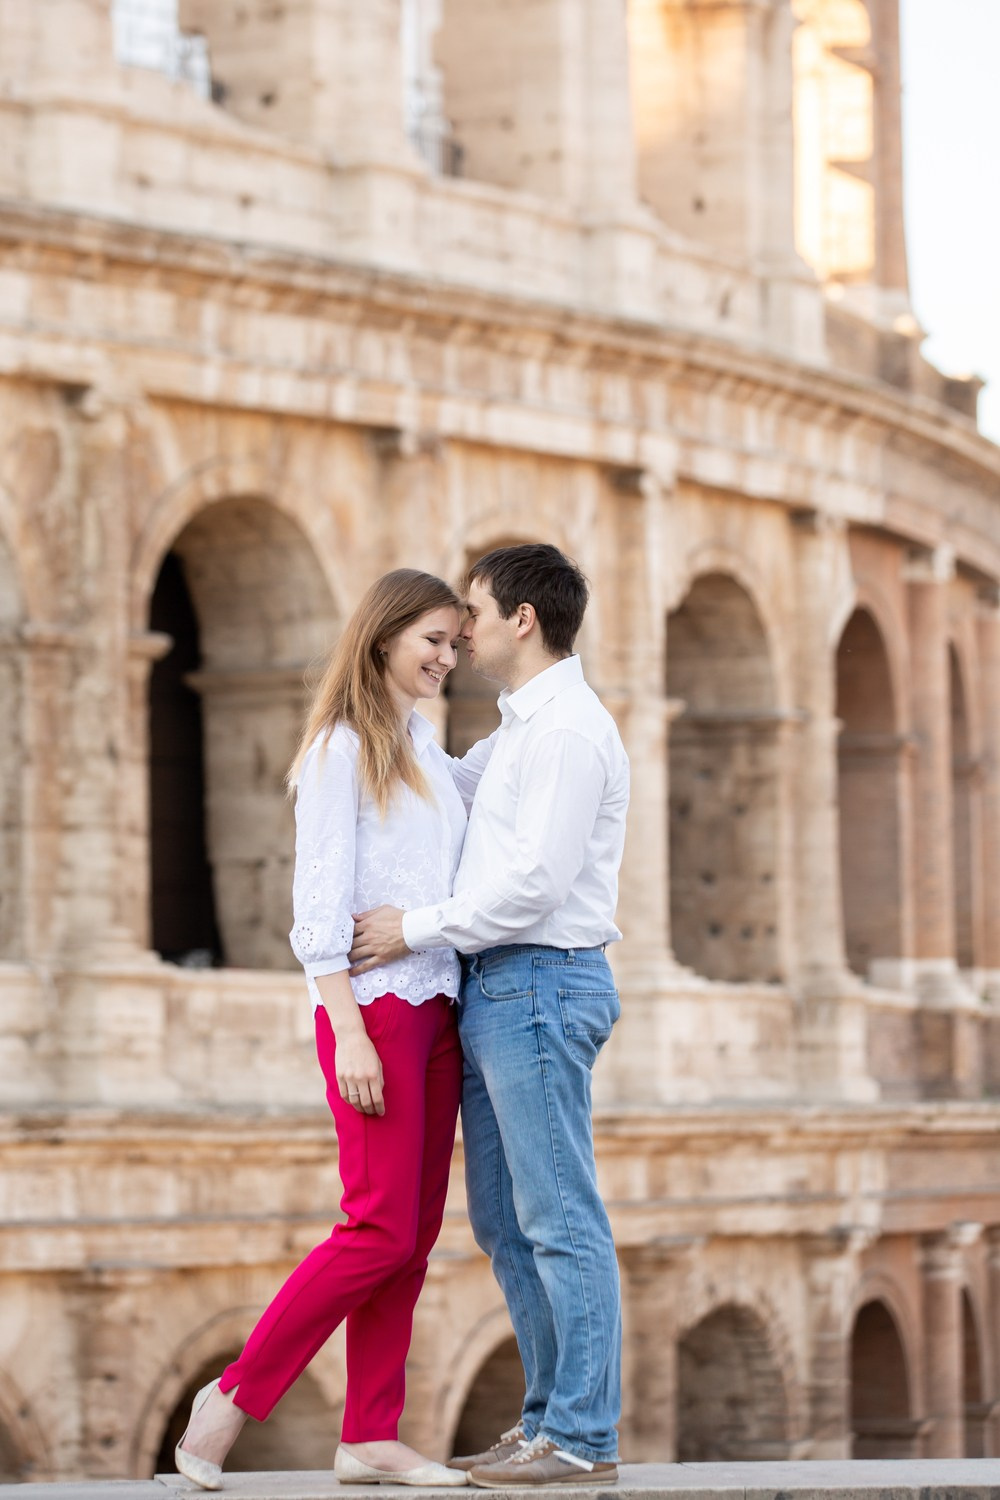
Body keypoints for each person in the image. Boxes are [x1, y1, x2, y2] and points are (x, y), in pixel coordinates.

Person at [173, 569, 478, 1491]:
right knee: (375, 1228)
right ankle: (230, 1399)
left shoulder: (425, 742)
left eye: (458, 644)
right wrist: (344, 1027)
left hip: (438, 1009)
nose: (447, 658)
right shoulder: (341, 747)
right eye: (432, 638)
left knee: (415, 1235)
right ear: (382, 635)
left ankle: (369, 1435)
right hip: (375, 1013)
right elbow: (319, 903)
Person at [350, 544, 629, 1490]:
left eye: (472, 612)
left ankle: (583, 1436)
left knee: (560, 1218)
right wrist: (381, 698)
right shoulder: (519, 733)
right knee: (509, 1227)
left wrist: (410, 928)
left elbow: (535, 884)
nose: (461, 632)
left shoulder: (565, 734)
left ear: (522, 619)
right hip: (504, 988)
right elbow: (447, 792)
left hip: (540, 980)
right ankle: (548, 1421)